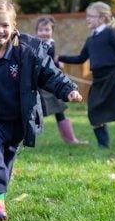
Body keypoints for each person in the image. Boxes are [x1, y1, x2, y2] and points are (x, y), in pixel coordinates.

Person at [0, 0, 82, 221]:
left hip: (18, 121)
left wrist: (67, 89)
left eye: (5, 25)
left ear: (14, 27)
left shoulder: (28, 52)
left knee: (6, 160)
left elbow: (49, 73)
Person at [58, 1, 115, 149]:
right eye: (87, 16)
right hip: (98, 79)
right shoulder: (90, 39)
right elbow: (80, 59)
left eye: (90, 16)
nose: (87, 19)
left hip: (113, 77)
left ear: (102, 18)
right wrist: (60, 57)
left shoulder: (110, 33)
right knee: (93, 111)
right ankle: (103, 144)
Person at [35, 15, 87, 145]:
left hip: (51, 84)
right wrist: (57, 64)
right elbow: (43, 63)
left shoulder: (51, 44)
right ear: (36, 31)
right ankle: (23, 139)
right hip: (40, 85)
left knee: (59, 110)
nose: (44, 33)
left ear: (52, 31)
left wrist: (57, 64)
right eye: (41, 30)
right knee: (34, 111)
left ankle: (70, 139)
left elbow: (50, 63)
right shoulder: (36, 45)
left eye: (47, 29)